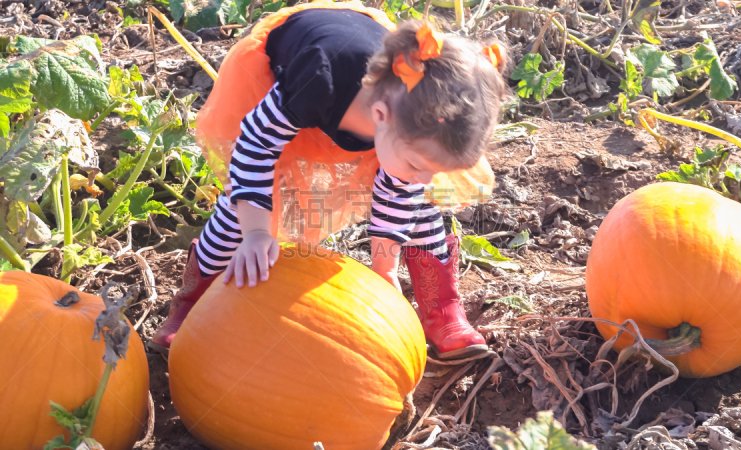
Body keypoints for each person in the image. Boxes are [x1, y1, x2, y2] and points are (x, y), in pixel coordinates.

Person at [148, 0, 507, 360]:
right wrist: (256, 233)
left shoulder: (410, 122)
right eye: (418, 164)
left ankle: (442, 311)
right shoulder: (318, 80)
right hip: (284, 99)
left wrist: (384, 269)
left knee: (420, 206)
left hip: (372, 104)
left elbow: (400, 189)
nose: (426, 176)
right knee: (240, 211)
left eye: (435, 169)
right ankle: (192, 304)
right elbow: (255, 145)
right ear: (381, 116)